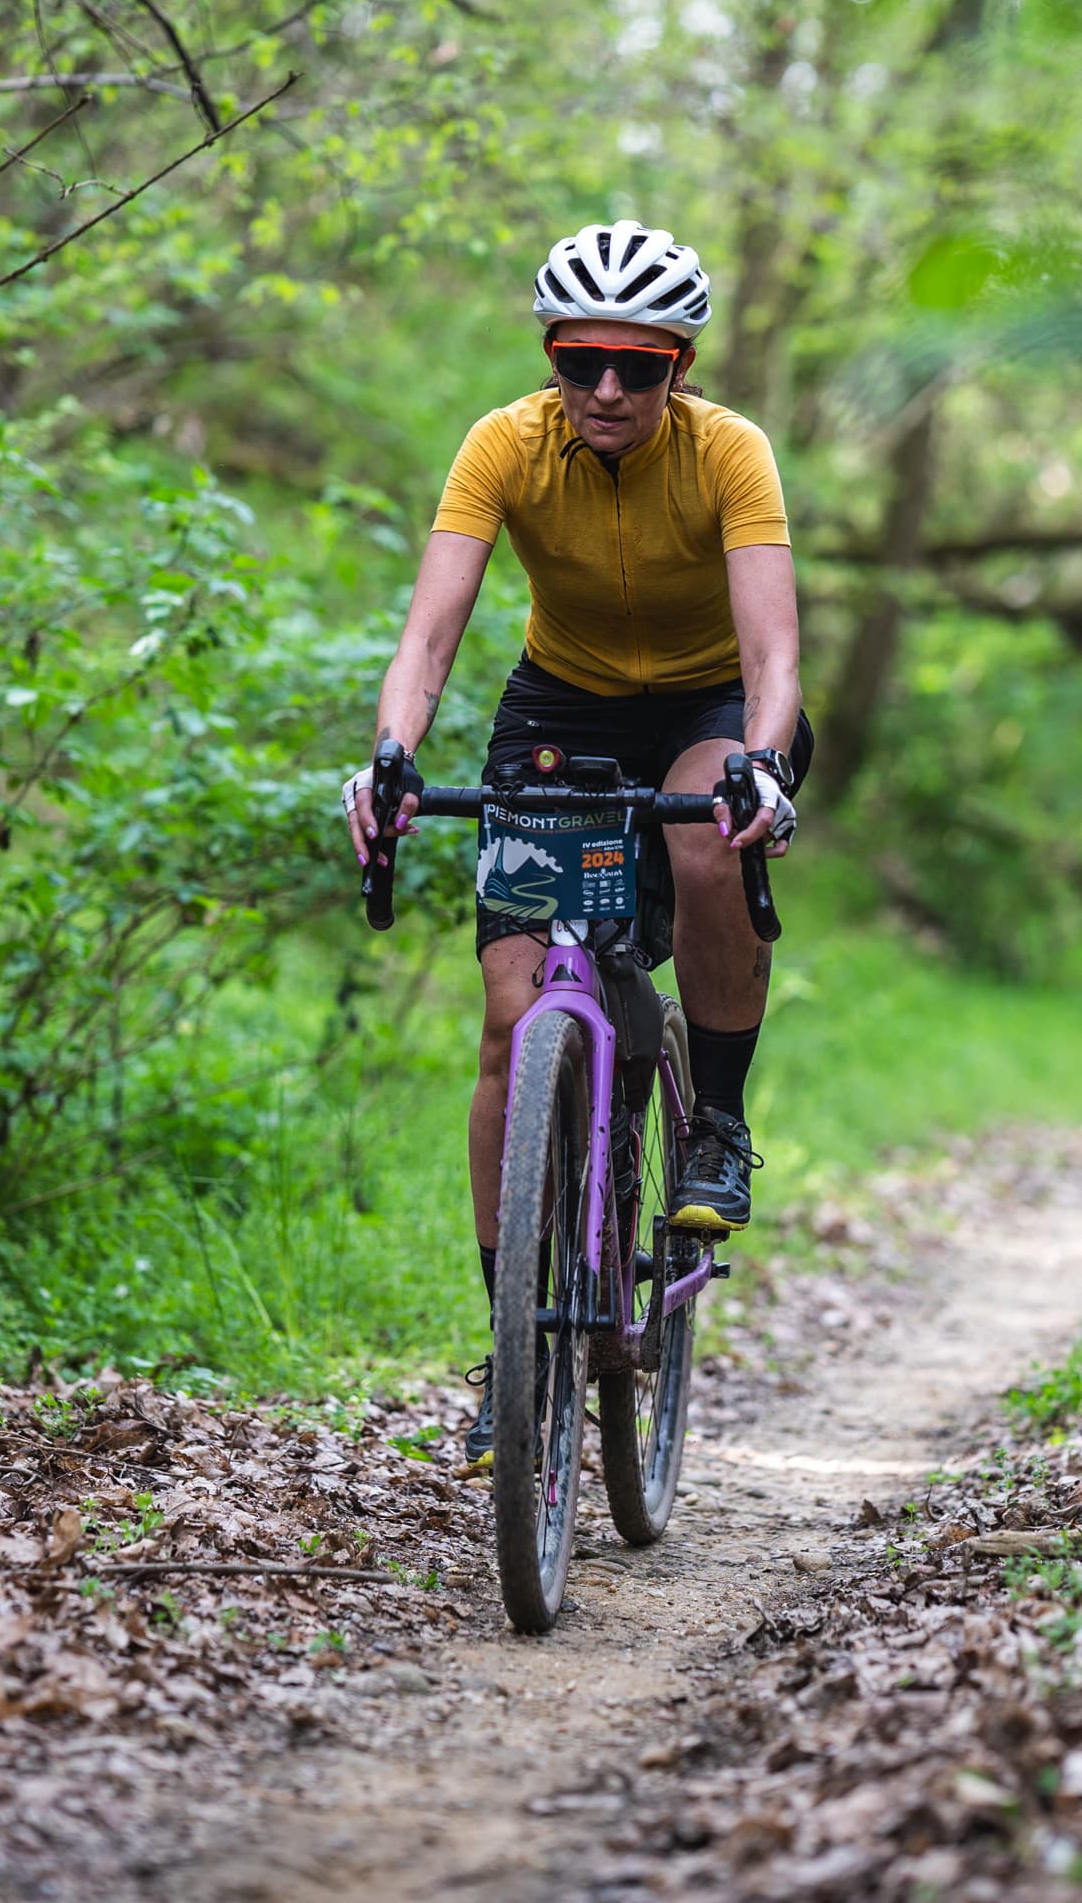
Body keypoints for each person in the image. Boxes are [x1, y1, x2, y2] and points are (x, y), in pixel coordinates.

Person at [341, 219, 812, 1462]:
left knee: (710, 840)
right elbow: (431, 635)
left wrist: (761, 756)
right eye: (581, 360)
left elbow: (773, 652)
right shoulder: (504, 443)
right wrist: (391, 753)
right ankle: (515, 1339)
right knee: (509, 1013)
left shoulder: (731, 453)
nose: (607, 389)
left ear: (680, 367)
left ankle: (714, 1120)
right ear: (552, 356)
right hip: (561, 700)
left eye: (639, 366)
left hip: (714, 702)